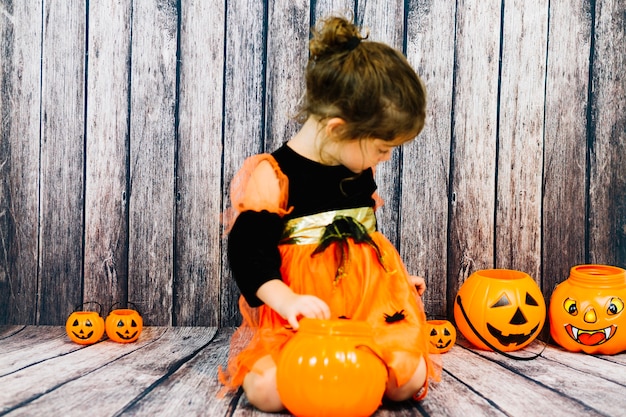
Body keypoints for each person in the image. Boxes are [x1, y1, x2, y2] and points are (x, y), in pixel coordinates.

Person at [219, 15, 441, 412]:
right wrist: (287, 301)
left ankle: (361, 371)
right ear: (339, 129)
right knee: (264, 390)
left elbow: (365, 242)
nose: (385, 158)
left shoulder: (359, 168)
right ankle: (330, 379)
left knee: (408, 378)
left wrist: (398, 279)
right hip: (302, 325)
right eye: (382, 147)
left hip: (367, 315)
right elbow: (248, 253)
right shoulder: (274, 175)